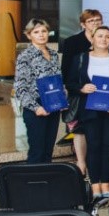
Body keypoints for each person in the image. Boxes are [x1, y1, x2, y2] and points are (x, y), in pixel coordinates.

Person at [65, 25, 109, 197]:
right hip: (89, 109)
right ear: (92, 38)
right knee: (93, 145)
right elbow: (70, 83)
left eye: (107, 36)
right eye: (100, 36)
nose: (104, 39)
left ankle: (106, 183)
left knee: (108, 145)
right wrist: (82, 88)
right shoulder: (80, 58)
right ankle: (95, 185)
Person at [60, 9, 109, 174]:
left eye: (98, 20)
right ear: (83, 24)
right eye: (91, 21)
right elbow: (66, 71)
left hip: (104, 95)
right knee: (80, 129)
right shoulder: (72, 42)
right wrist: (78, 88)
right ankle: (81, 162)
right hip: (81, 94)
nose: (95, 23)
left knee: (101, 137)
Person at [15, 18, 65, 164]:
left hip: (53, 105)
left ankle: (46, 179)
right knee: (37, 152)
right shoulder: (25, 56)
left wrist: (62, 98)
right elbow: (20, 88)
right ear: (29, 35)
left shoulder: (53, 54)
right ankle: (32, 179)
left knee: (48, 151)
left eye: (44, 31)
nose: (41, 34)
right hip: (36, 107)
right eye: (36, 32)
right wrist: (36, 108)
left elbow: (57, 80)